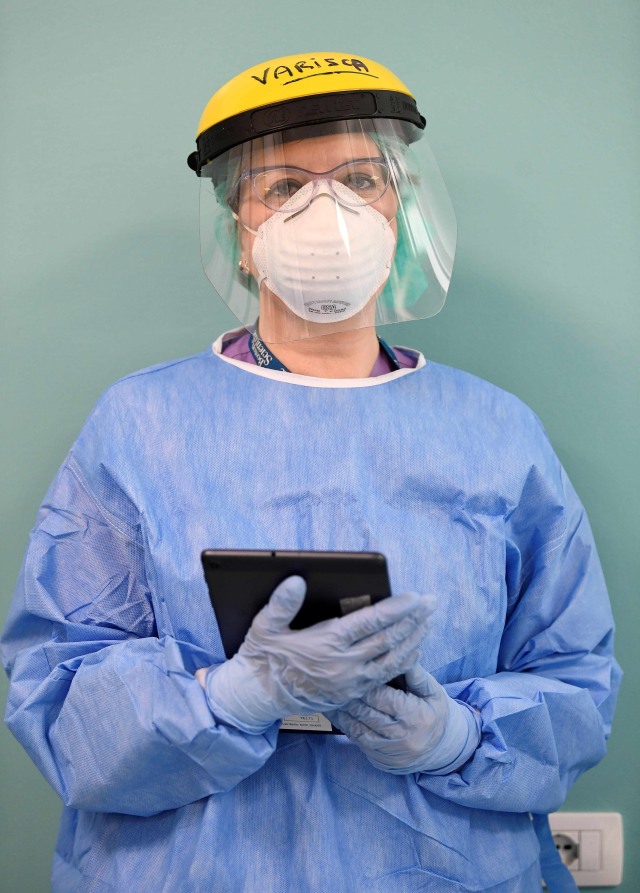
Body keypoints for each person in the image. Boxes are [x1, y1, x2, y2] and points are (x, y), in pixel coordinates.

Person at [1, 52, 621, 893]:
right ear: (240, 235)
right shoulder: (140, 426)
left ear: (397, 210)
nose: (326, 211)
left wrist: (456, 737)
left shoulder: (496, 433)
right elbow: (56, 691)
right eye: (283, 187)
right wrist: (231, 699)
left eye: (360, 178)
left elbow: (575, 678)